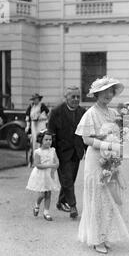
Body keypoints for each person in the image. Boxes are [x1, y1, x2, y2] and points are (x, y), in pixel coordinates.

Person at [75, 76, 129, 254]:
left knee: (110, 198)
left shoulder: (113, 113)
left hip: (110, 158)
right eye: (104, 92)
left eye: (111, 92)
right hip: (96, 159)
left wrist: (124, 135)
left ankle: (104, 235)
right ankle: (96, 238)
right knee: (98, 197)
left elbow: (120, 134)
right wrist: (107, 145)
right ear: (97, 94)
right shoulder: (90, 113)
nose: (108, 95)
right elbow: (86, 139)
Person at [48, 86, 86, 219]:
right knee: (68, 179)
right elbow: (50, 132)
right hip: (61, 152)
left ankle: (60, 201)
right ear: (66, 98)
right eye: (73, 97)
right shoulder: (56, 112)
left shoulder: (83, 112)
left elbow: (85, 133)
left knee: (70, 179)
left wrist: (86, 150)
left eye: (78, 97)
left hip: (77, 152)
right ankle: (73, 206)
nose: (76, 99)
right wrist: (50, 154)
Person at [26, 130, 60, 221]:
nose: (49, 141)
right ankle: (37, 204)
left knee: (48, 193)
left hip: (49, 174)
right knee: (41, 194)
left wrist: (53, 169)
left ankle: (46, 212)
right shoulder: (38, 152)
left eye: (50, 139)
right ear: (41, 140)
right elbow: (38, 165)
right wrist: (49, 165)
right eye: (46, 140)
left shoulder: (53, 150)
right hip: (41, 175)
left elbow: (57, 162)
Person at [25, 93, 49, 166]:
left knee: (41, 140)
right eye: (33, 99)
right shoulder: (31, 106)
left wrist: (43, 119)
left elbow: (48, 115)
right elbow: (27, 117)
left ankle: (43, 159)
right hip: (33, 125)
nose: (34, 101)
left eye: (36, 99)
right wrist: (27, 126)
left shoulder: (42, 106)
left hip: (41, 124)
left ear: (39, 99)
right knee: (34, 141)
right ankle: (34, 160)